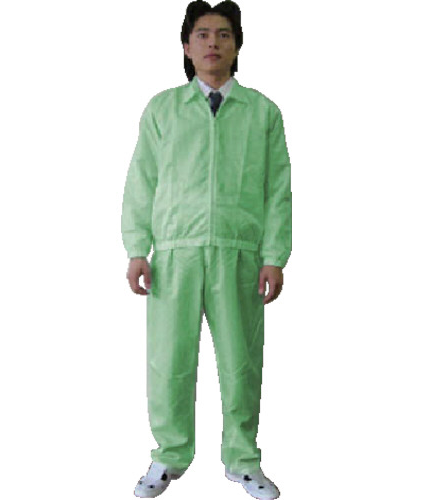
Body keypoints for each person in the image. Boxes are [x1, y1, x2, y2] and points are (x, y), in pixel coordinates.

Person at [121, 1, 291, 498]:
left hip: (239, 252)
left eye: (223, 34)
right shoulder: (163, 109)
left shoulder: (262, 112)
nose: (212, 43)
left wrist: (274, 255)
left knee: (241, 362)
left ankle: (242, 459)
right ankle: (169, 455)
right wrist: (137, 247)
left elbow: (278, 188)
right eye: (202, 34)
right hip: (174, 252)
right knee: (169, 360)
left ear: (237, 45)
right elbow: (141, 181)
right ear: (186, 46)